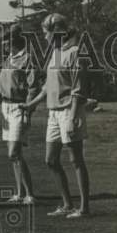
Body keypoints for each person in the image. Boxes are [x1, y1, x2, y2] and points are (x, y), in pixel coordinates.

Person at [19, 13, 91, 218]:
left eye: (46, 32)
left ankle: (84, 209)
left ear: (56, 31)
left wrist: (74, 117)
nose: (44, 36)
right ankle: (67, 205)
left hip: (69, 110)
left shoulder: (75, 52)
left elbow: (78, 89)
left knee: (76, 159)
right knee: (51, 160)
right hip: (54, 113)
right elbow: (48, 86)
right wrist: (30, 104)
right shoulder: (56, 53)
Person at [0, 24, 39, 203]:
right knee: (15, 156)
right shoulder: (7, 61)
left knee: (13, 152)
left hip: (19, 108)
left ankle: (30, 194)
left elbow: (33, 87)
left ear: (13, 41)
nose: (4, 46)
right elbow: (0, 90)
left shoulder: (27, 58)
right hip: (5, 109)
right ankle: (20, 194)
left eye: (6, 42)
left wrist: (28, 109)